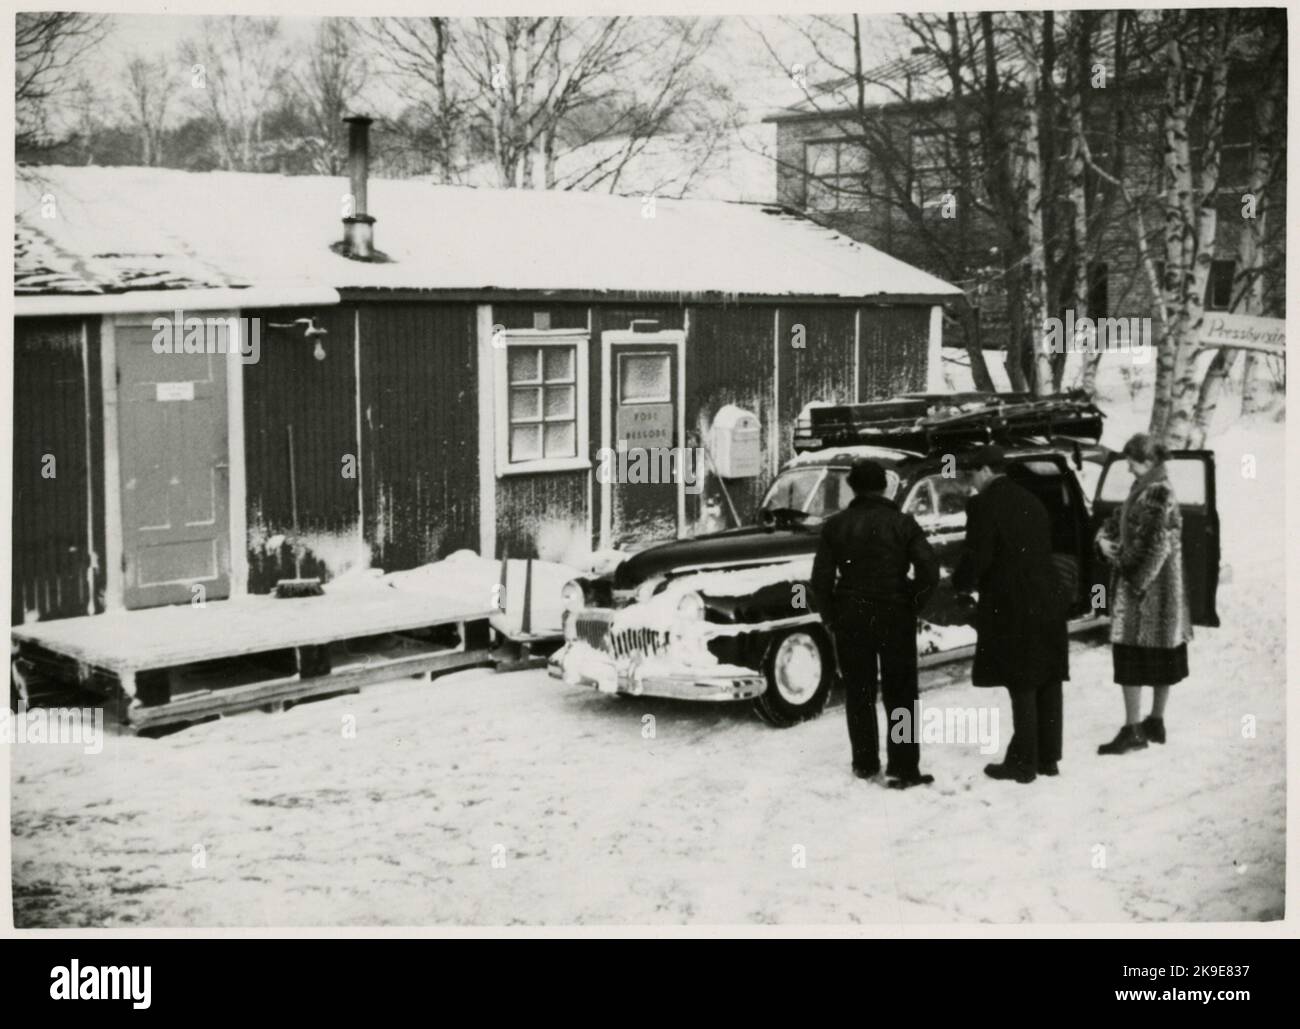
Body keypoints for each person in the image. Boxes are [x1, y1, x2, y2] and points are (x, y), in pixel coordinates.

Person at [811, 459, 939, 789]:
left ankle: (865, 764)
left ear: (852, 488)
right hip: (896, 614)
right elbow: (929, 569)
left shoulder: (835, 526)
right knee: (902, 694)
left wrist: (831, 616)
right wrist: (912, 601)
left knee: (859, 693)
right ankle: (904, 767)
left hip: (851, 616)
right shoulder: (903, 523)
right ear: (884, 486)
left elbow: (820, 581)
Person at [953, 445, 1069, 785]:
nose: (970, 483)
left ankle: (1022, 763)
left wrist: (960, 584)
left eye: (972, 475)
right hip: (1048, 595)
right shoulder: (1032, 499)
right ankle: (1048, 758)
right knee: (1048, 677)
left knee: (1022, 680)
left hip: (1013, 602)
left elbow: (979, 555)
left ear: (986, 471)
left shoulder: (983, 504)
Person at [1095, 433, 1191, 754]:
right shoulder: (1146, 488)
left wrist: (1124, 568)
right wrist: (1102, 541)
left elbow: (1153, 547)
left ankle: (1134, 729)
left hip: (1145, 594)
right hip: (1161, 593)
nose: (1128, 469)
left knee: (1130, 657)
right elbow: (1117, 521)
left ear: (1148, 461)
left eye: (1132, 463)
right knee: (1163, 653)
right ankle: (1155, 722)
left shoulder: (1157, 492)